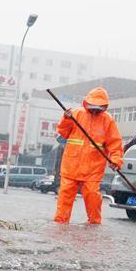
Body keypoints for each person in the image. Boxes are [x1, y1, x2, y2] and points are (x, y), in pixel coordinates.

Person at [53, 86, 122, 224]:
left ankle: (94, 223)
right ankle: (60, 224)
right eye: (92, 105)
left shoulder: (107, 120)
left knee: (93, 198)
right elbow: (63, 133)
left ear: (104, 106)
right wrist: (66, 119)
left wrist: (116, 160)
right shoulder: (75, 114)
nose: (95, 109)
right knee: (64, 198)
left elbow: (115, 143)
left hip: (93, 169)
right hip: (71, 166)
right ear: (87, 103)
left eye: (98, 106)